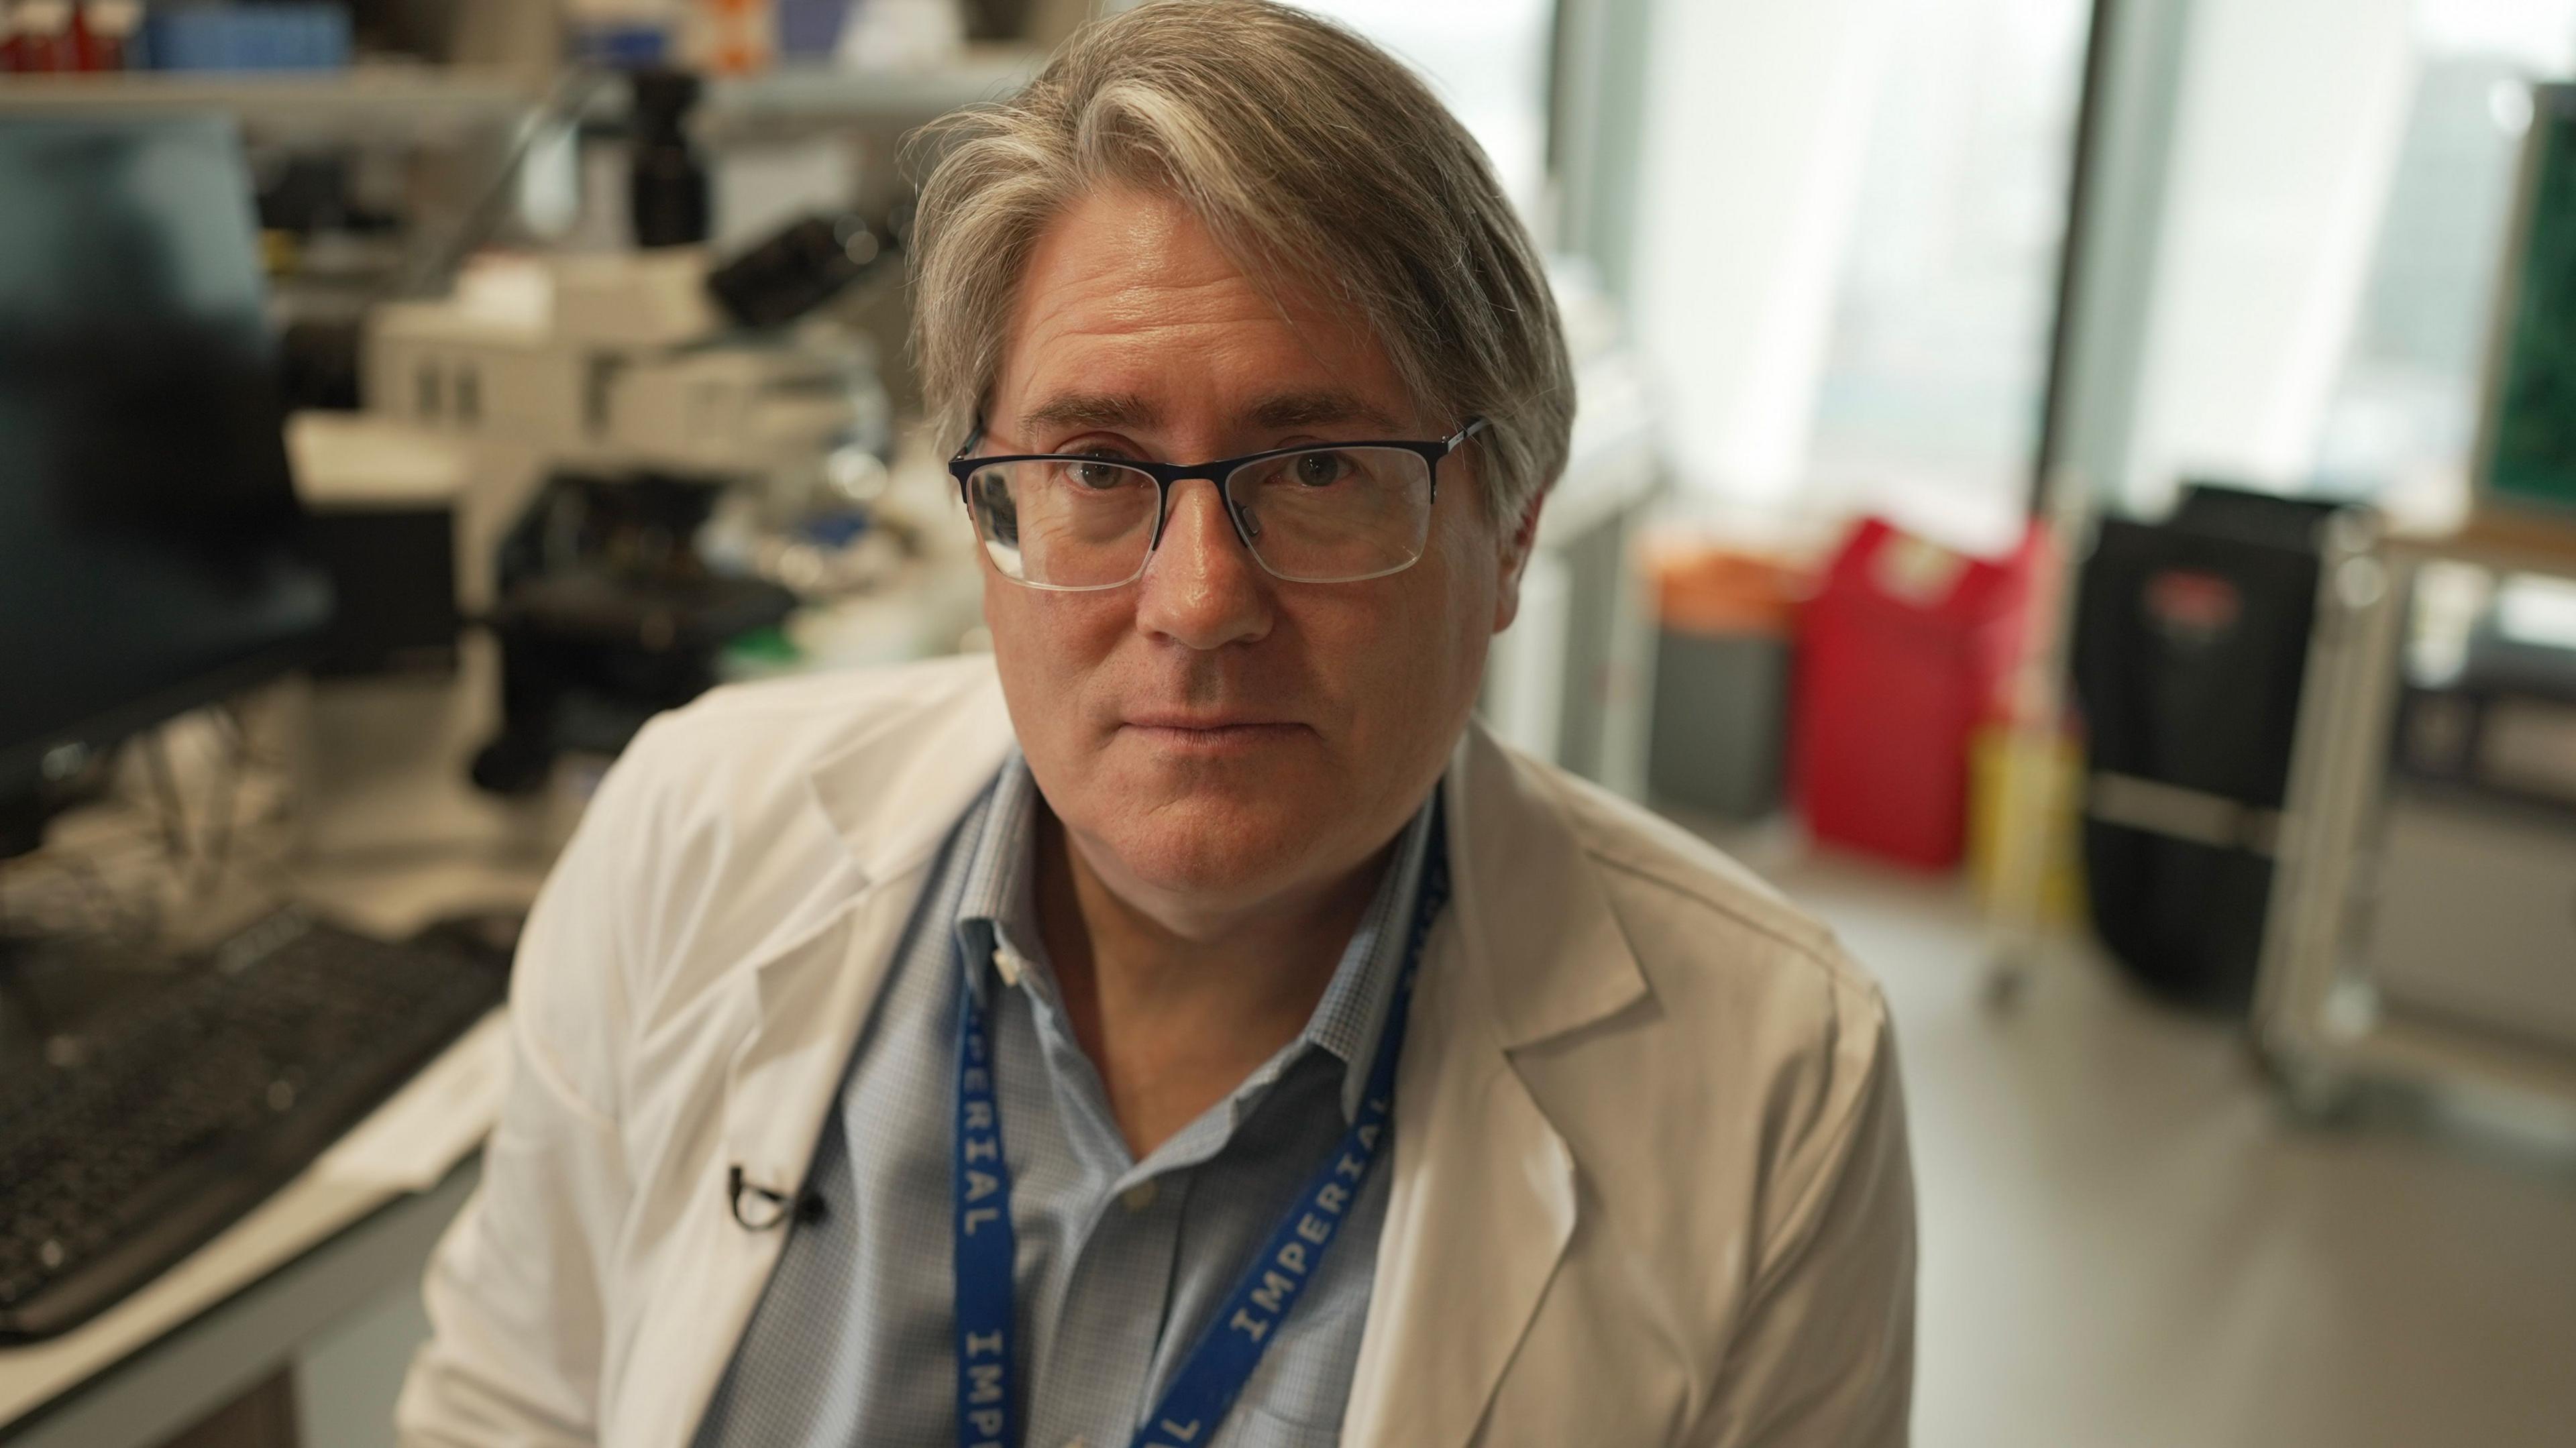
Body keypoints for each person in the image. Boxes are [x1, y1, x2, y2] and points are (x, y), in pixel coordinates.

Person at [396, 3, 1915, 1445]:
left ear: (1508, 531)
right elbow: (511, 1410)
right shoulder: (690, 833)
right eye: (1100, 467)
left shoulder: (1776, 1075)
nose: (1198, 602)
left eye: (1320, 470)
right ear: (986, 505)